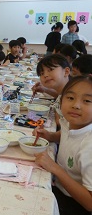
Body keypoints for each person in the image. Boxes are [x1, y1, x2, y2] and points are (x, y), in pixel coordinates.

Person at [34, 75, 92, 215]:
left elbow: (90, 203)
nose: (76, 105)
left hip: (74, 204)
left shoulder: (89, 146)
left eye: (87, 101)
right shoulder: (69, 123)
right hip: (58, 187)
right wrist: (50, 136)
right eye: (70, 98)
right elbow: (66, 135)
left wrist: (55, 168)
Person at [33, 54, 71, 119]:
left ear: (66, 72)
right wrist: (44, 89)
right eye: (42, 73)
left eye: (50, 70)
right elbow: (59, 94)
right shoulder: (65, 92)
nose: (45, 75)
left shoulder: (72, 98)